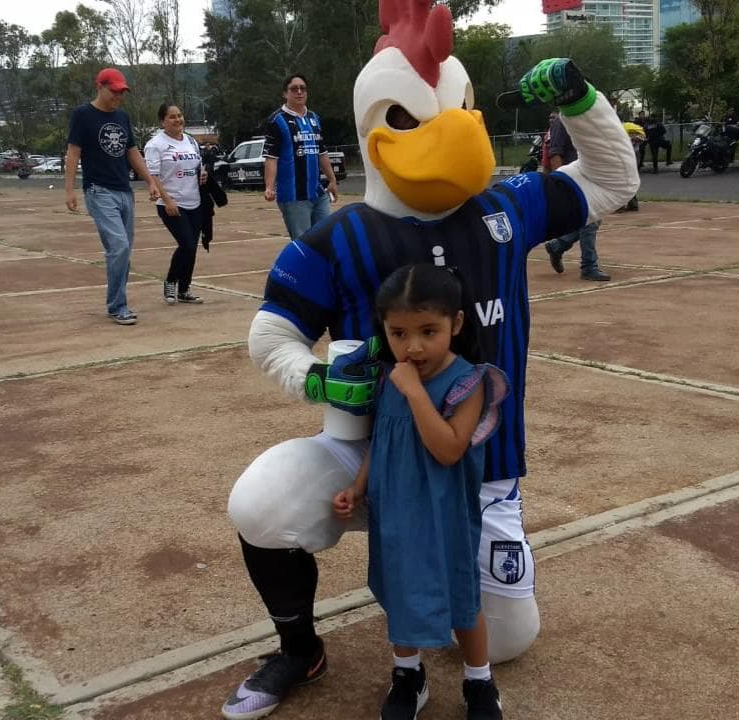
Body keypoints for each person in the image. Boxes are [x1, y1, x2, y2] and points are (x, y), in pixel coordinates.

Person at [221, 6, 638, 716]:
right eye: (413, 119)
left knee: (503, 639)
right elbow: (271, 334)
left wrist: (581, 97)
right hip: (373, 462)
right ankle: (300, 649)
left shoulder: (509, 209)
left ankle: (453, 601)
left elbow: (612, 179)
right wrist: (314, 377)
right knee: (259, 504)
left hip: (483, 468)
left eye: (460, 110)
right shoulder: (339, 236)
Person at [332, 264, 509, 720]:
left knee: (462, 595)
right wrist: (357, 485)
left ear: (457, 324)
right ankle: (408, 674)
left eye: (429, 331)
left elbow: (449, 449)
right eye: (398, 333)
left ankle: (479, 680)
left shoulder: (468, 381)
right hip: (396, 508)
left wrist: (414, 393)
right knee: (401, 587)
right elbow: (382, 440)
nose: (412, 346)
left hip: (444, 511)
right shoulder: (394, 378)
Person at [64, 67, 159, 326]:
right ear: (100, 87)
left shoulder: (122, 117)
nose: (118, 96)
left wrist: (150, 181)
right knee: (119, 246)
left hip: (124, 190)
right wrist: (70, 189)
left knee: (124, 251)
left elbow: (132, 152)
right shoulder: (83, 115)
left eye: (121, 92)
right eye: (114, 91)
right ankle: (118, 305)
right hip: (98, 190)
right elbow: (73, 153)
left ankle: (118, 301)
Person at [144, 103, 207, 306]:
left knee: (192, 248)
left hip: (194, 201)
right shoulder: (156, 144)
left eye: (180, 115)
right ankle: (171, 281)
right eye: (172, 117)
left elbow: (198, 165)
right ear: (163, 121)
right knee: (186, 244)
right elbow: (153, 175)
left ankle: (184, 289)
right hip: (171, 203)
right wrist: (167, 199)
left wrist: (203, 174)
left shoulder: (190, 140)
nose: (178, 120)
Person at [263, 74, 339, 240]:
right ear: (285, 93)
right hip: (294, 197)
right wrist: (269, 187)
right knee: (304, 244)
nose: (299, 92)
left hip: (318, 193)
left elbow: (322, 153)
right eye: (294, 89)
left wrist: (332, 180)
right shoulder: (277, 120)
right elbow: (271, 158)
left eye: (303, 88)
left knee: (328, 239)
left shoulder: (314, 118)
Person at [543, 112, 612, 281]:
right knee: (589, 221)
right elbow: (555, 153)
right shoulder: (561, 120)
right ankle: (588, 266)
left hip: (589, 176)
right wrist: (561, 182)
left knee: (591, 220)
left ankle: (557, 246)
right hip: (573, 178)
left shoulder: (585, 118)